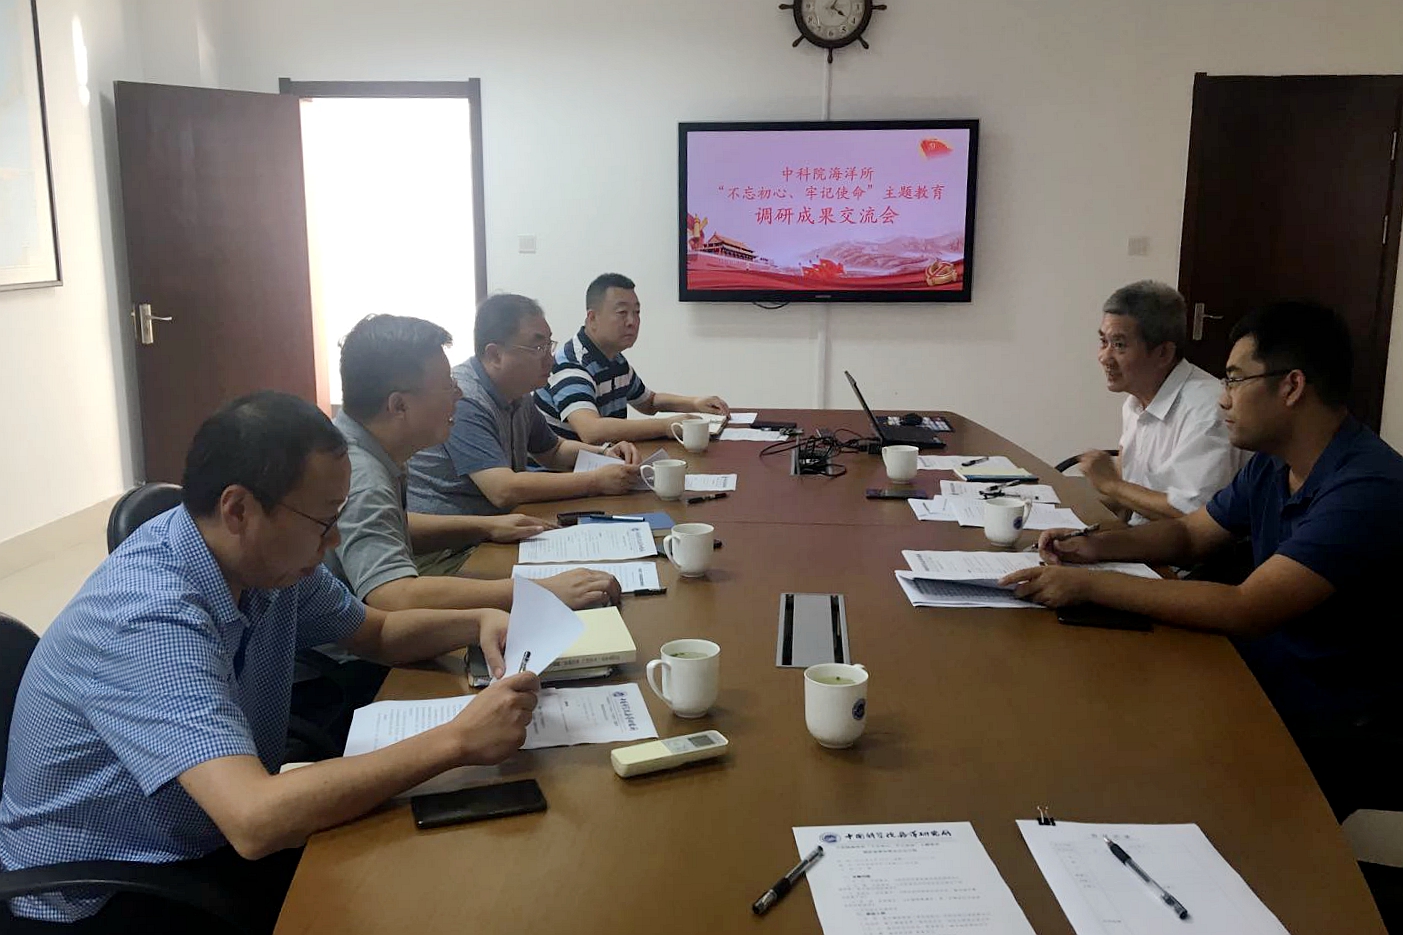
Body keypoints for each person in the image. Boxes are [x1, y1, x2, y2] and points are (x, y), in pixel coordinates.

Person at [0, 392, 541, 934]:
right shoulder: (150, 617)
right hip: (106, 892)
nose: (333, 540)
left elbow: (375, 633)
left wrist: (477, 620)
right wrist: (457, 740)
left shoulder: (262, 563)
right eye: (323, 521)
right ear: (238, 509)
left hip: (202, 833)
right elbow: (255, 819)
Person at [1002, 302, 1403, 816]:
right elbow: (1191, 535)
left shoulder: (1365, 488)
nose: (1222, 398)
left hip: (1336, 714)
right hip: (1267, 671)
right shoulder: (1274, 465)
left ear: (1292, 386)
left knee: (1130, 757)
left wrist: (1090, 586)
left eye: (1234, 380)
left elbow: (1246, 607)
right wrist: (1093, 547)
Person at [328, 314, 620, 610]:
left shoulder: (371, 448)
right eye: (447, 385)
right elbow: (394, 595)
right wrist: (541, 591)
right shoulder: (360, 477)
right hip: (369, 629)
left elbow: (394, 526)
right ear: (399, 405)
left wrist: (486, 527)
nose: (458, 393)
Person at [409, 293, 645, 516]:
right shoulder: (464, 400)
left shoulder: (518, 394)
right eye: (538, 348)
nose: (550, 359)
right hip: (460, 537)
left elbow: (553, 451)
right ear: (495, 355)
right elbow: (503, 490)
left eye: (549, 345)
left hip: (502, 523)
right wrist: (596, 481)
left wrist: (604, 453)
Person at [1078, 280, 1242, 524]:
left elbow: (1195, 516)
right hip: (1143, 536)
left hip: (1181, 548)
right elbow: (1129, 501)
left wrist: (1112, 485)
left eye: (1119, 345)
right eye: (1104, 342)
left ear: (1164, 353)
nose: (1104, 357)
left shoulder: (1208, 410)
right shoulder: (1134, 403)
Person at [534, 273, 730, 443]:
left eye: (636, 312)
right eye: (622, 313)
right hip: (566, 471)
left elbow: (649, 402)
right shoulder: (572, 363)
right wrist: (666, 426)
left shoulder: (615, 359)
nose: (632, 321)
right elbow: (591, 431)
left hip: (602, 462)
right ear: (592, 318)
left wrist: (695, 403)